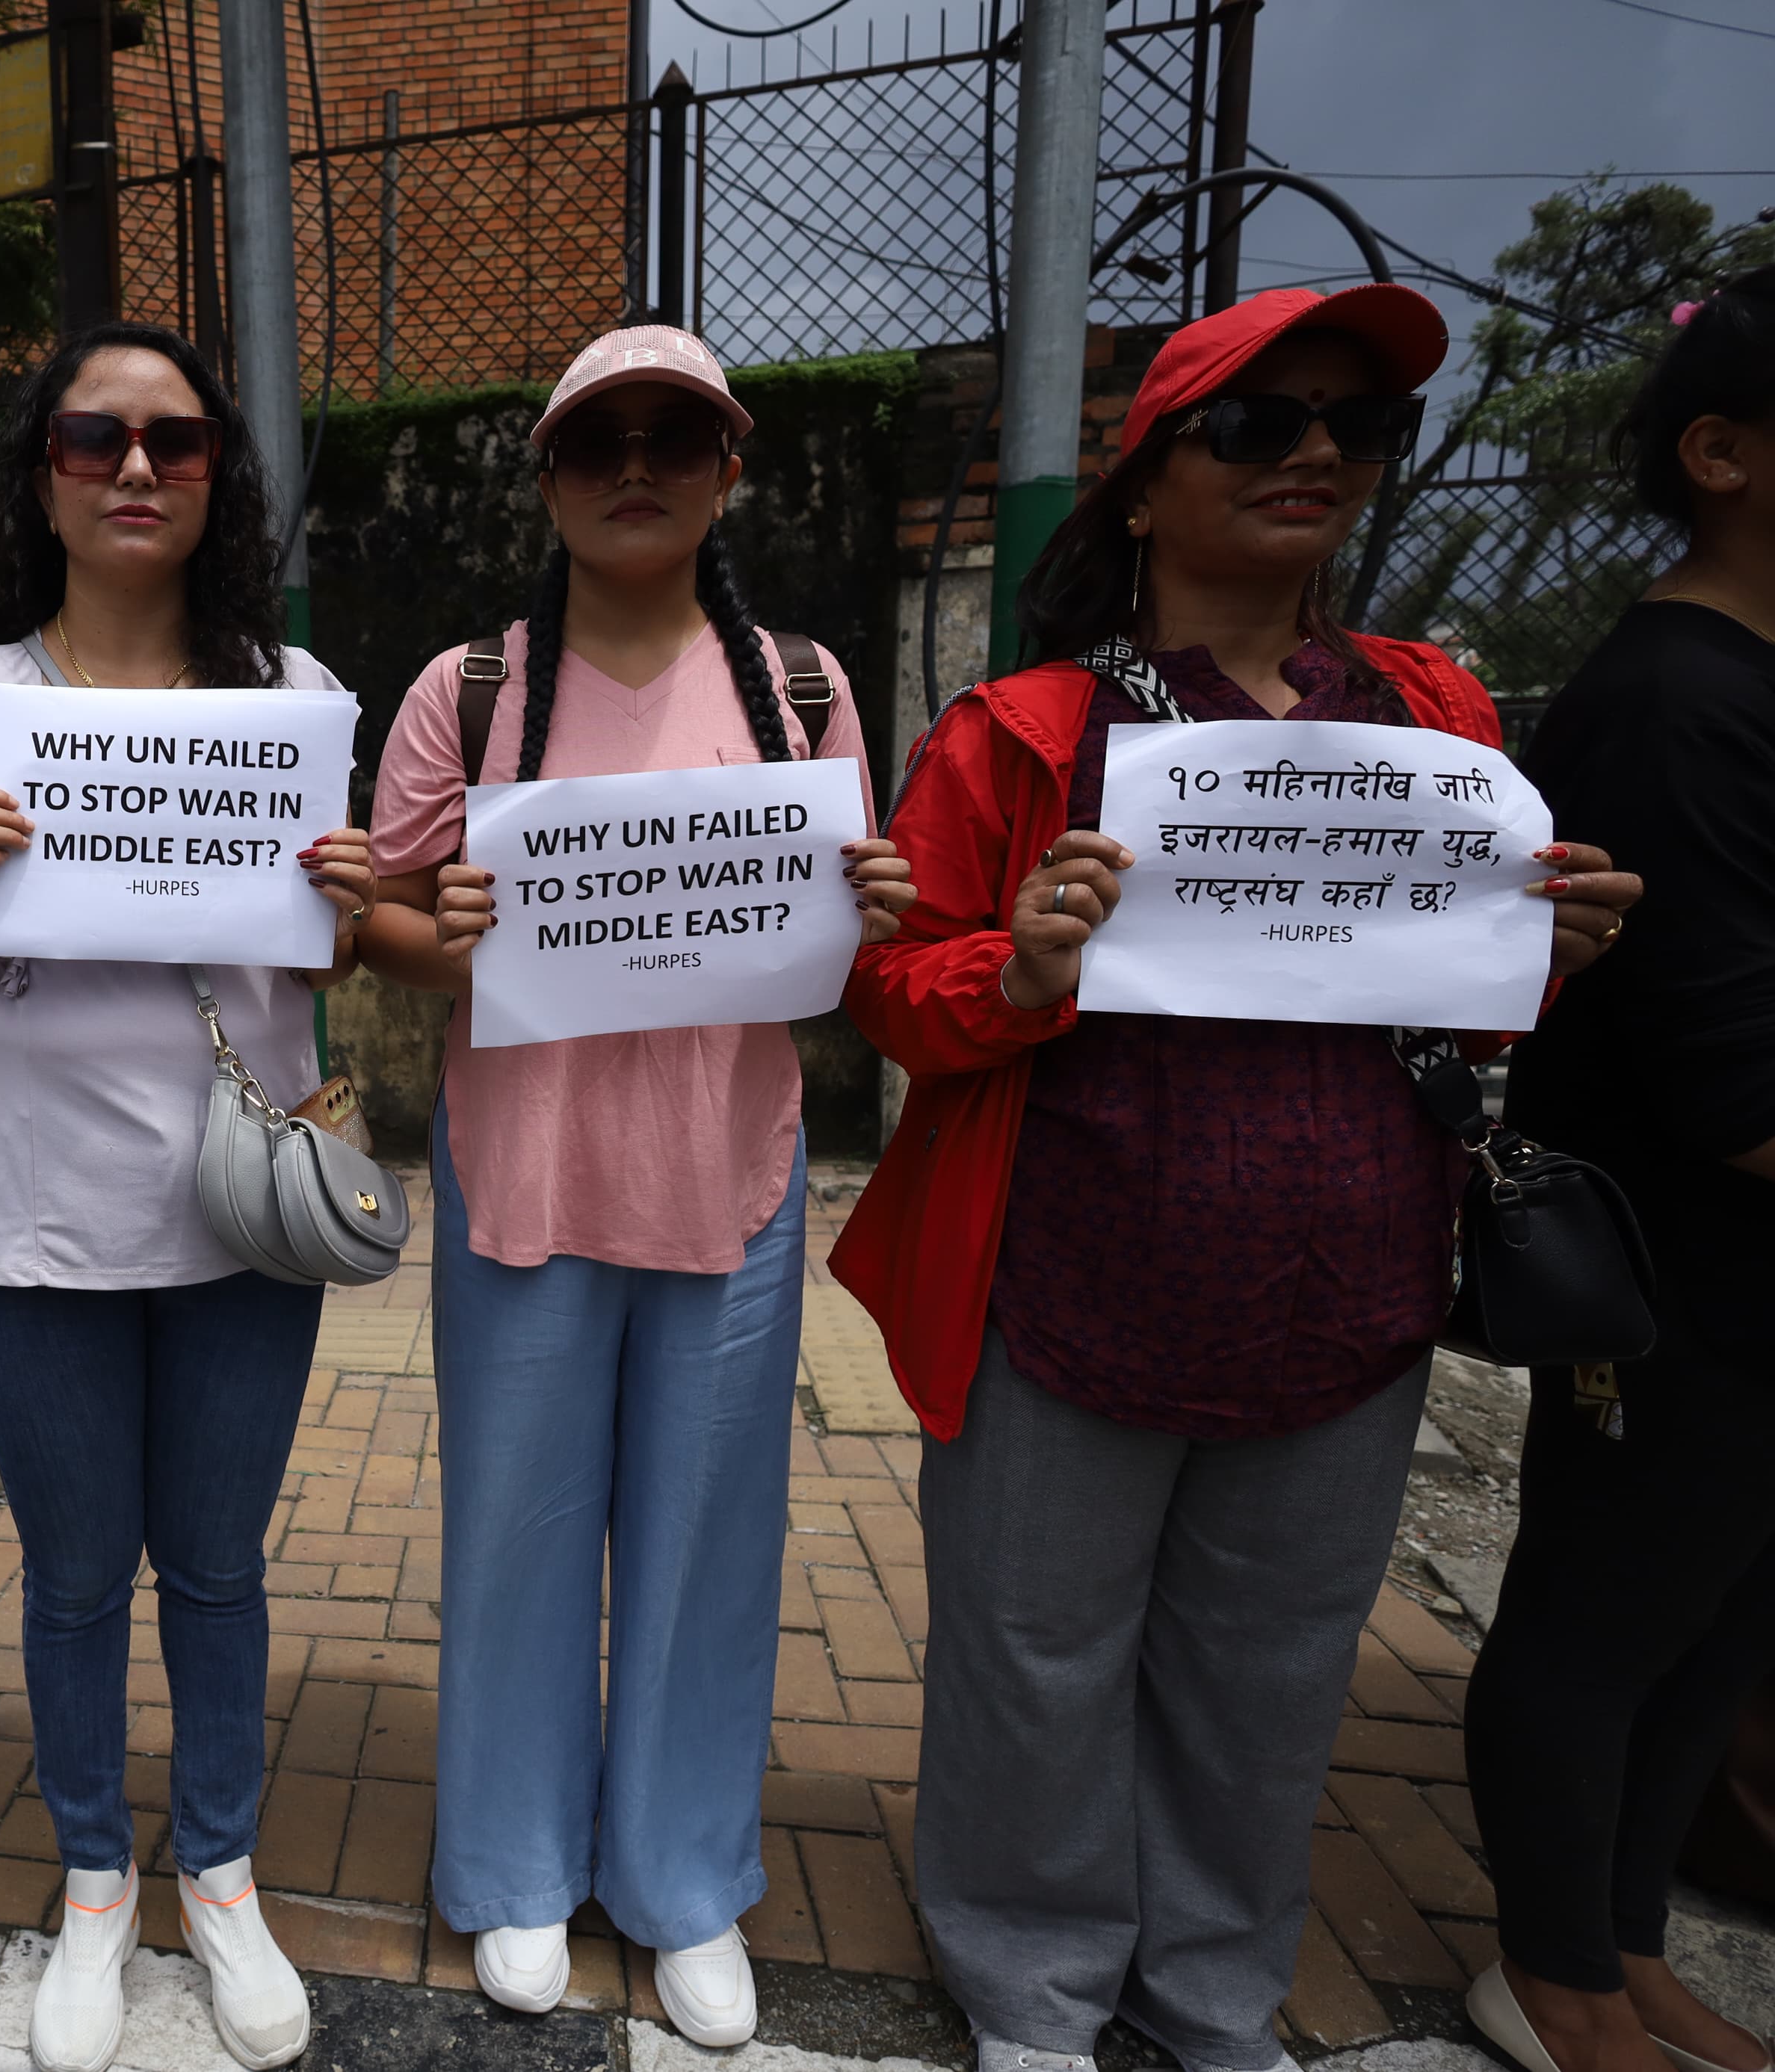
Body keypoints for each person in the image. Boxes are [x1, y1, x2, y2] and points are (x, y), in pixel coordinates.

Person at [827, 286, 1642, 2072]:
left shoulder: (1434, 711)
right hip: (1065, 1279)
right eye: (1260, 422)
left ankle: (1210, 1990)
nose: (1317, 453)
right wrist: (1016, 971)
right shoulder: (1020, 730)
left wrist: (1549, 949)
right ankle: (1031, 1989)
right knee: (1034, 1658)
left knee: (1271, 1671)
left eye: (1359, 424)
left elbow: (1456, 1004)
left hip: (1348, 1292)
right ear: (1142, 485)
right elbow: (890, 987)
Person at [354, 326, 915, 2047]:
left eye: (676, 437)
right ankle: (515, 1865)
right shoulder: (469, 688)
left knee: (708, 1541)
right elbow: (375, 915)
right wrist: (440, 936)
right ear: (546, 477)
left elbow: (834, 940)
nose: (636, 468)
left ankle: (681, 1880)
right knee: (515, 1534)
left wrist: (874, 906)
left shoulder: (801, 689)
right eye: (600, 440)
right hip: (522, 1174)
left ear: (727, 472)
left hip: (726, 1175)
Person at [0, 320, 369, 2072]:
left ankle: (218, 1871)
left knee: (217, 1570)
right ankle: (97, 1876)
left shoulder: (291, 699)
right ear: (44, 478)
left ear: (218, 476)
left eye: (175, 438)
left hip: (245, 1212)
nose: (137, 466)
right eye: (95, 437)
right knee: (79, 1577)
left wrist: (349, 897)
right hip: (30, 1220)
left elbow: (329, 952)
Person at [1469, 265, 1775, 2072]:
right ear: (1720, 454)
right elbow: (1726, 1071)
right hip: (1675, 1267)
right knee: (1605, 1612)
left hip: (1741, 1272)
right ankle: (1550, 1968)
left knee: (1717, 1614)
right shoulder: (1673, 701)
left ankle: (1628, 1941)